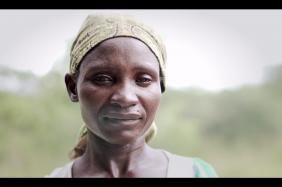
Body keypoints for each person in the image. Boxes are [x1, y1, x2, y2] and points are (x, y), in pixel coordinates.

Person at [46, 13, 218, 178]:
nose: (126, 98)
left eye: (143, 79)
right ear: (73, 88)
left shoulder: (193, 173)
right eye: (103, 79)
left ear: (161, 86)